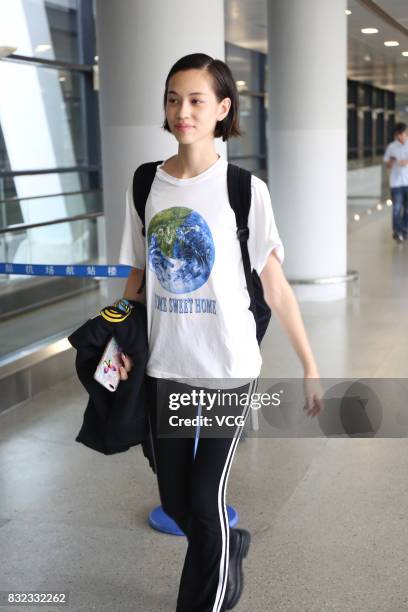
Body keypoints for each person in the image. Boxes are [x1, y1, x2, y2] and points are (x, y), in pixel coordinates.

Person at [116, 53, 324, 612]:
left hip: (227, 368)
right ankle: (231, 548)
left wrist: (309, 364)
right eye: (173, 99)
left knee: (206, 502)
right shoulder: (145, 183)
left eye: (196, 100)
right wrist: (118, 341)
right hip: (166, 367)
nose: (182, 111)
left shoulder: (243, 190)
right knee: (177, 501)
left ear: (222, 109)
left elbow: (274, 286)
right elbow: (138, 274)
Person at [383, 122, 408, 242]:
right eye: (400, 134)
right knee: (397, 208)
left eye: (403, 134)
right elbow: (387, 164)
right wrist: (391, 162)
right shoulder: (391, 147)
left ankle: (405, 229)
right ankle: (397, 232)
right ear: (397, 135)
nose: (402, 136)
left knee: (407, 208)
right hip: (396, 183)